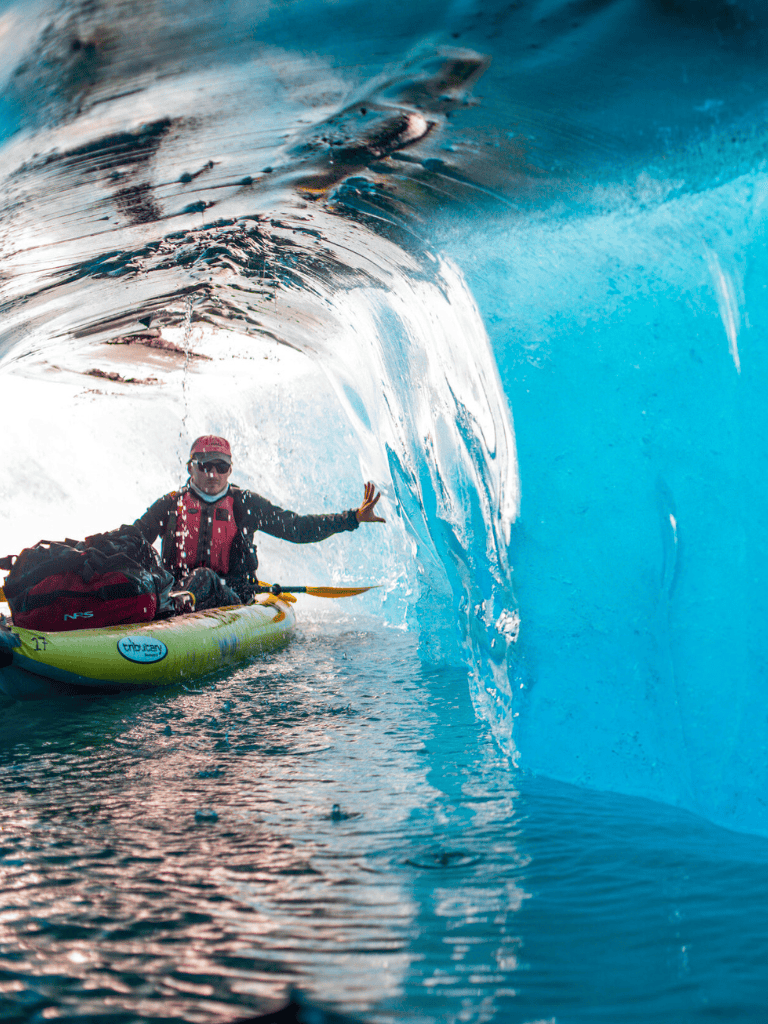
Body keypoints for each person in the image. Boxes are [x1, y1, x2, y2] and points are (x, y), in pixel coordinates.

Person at [134, 435, 385, 612]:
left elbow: (296, 528)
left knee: (204, 579)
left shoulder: (245, 504)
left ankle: (174, 608)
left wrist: (352, 518)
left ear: (230, 470)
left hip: (231, 597)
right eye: (205, 465)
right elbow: (134, 538)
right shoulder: (170, 504)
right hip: (175, 593)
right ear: (191, 468)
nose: (213, 474)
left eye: (220, 466)